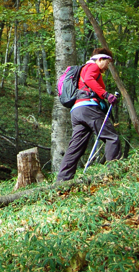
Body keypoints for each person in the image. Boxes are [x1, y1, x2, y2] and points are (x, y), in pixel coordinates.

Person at [56, 48, 122, 182]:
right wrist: (106, 95)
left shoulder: (83, 68)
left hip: (77, 111)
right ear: (100, 59)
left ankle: (62, 180)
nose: (108, 66)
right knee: (112, 137)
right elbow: (89, 79)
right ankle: (114, 173)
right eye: (107, 62)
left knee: (76, 146)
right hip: (89, 108)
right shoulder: (92, 67)